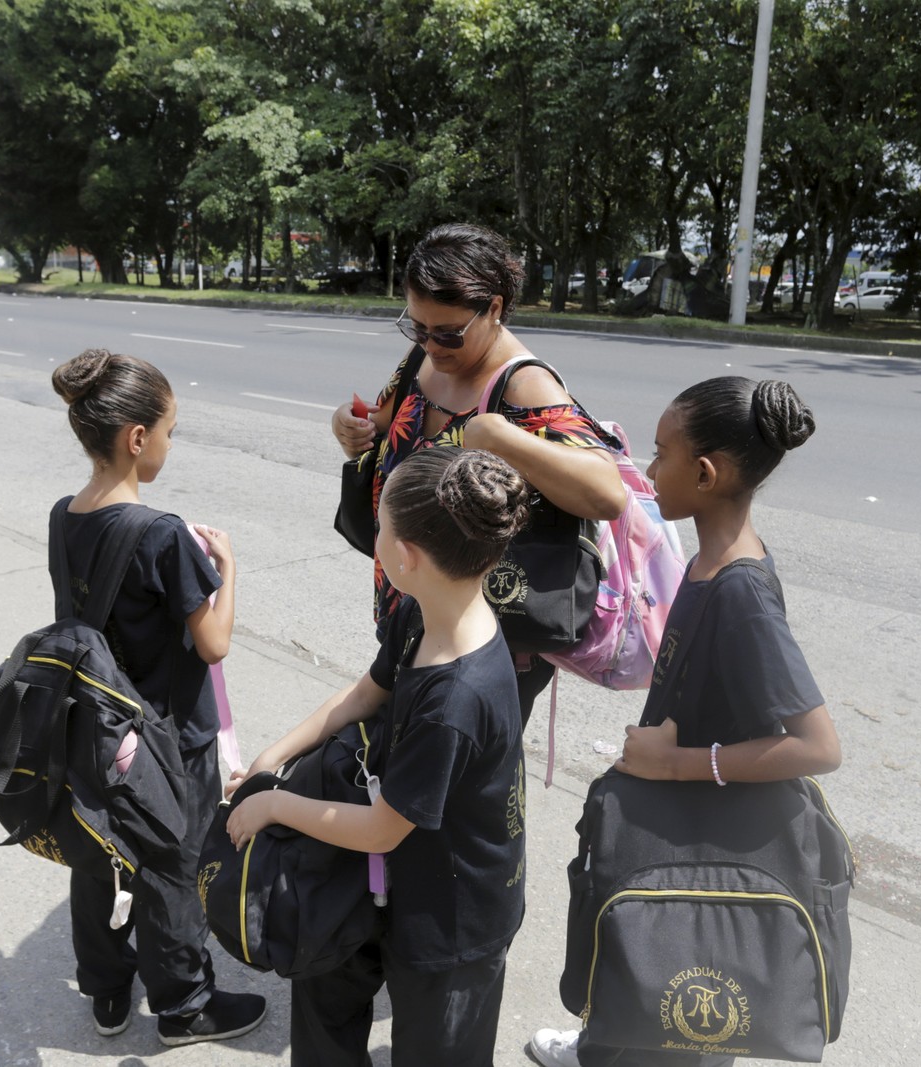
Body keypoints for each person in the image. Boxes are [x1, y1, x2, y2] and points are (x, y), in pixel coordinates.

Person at [527, 376, 843, 1067]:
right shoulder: (708, 559)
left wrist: (677, 764)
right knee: (645, 989)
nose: (648, 468)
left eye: (663, 453)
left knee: (674, 1013)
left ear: (705, 473)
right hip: (681, 823)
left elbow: (819, 746)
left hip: (703, 840)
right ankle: (599, 1045)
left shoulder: (740, 592)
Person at [226, 447, 531, 1067]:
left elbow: (382, 828)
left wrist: (275, 805)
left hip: (453, 920)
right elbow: (366, 692)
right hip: (388, 879)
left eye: (382, 527)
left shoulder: (455, 700)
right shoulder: (421, 613)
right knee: (323, 1002)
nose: (378, 539)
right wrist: (271, 757)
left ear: (407, 557)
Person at [49, 348, 266, 1046]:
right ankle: (184, 1006)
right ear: (136, 438)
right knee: (173, 866)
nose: (171, 443)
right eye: (171, 430)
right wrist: (227, 569)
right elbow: (213, 643)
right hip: (168, 738)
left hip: (96, 725)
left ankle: (109, 989)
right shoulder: (164, 534)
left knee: (101, 853)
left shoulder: (65, 515)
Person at [330, 222, 626, 725]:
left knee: (452, 777)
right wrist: (348, 423)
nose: (432, 344)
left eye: (448, 332)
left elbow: (607, 493)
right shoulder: (425, 358)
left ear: (493, 308)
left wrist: (500, 436)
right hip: (411, 605)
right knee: (400, 759)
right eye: (417, 327)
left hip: (483, 638)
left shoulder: (526, 386)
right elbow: (383, 421)